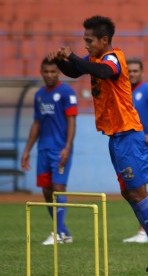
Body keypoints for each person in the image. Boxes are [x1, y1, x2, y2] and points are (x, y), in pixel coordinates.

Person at [48, 15, 148, 276]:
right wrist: (62, 60)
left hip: (129, 135)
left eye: (90, 40)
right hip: (116, 137)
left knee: (138, 192)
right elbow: (77, 70)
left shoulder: (114, 57)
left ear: (104, 40)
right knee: (130, 193)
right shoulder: (94, 60)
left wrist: (73, 57)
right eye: (85, 41)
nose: (87, 44)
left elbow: (104, 72)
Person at [21, 57, 78, 245]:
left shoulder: (66, 92)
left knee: (58, 187)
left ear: (59, 73)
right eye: (46, 71)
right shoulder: (39, 95)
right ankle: (63, 232)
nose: (49, 75)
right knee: (46, 191)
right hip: (43, 149)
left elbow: (71, 120)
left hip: (60, 149)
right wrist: (27, 150)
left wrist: (67, 147)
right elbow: (37, 123)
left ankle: (58, 233)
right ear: (41, 72)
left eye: (53, 71)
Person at [122, 58, 148, 244]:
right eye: (129, 71)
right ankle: (147, 229)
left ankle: (145, 231)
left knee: (141, 187)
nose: (132, 74)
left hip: (146, 146)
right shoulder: (123, 91)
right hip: (128, 146)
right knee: (131, 190)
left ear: (142, 72)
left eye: (135, 70)